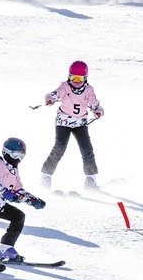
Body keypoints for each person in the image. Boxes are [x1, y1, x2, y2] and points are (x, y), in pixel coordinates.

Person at [39, 60, 104, 190]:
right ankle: (46, 176)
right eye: (74, 78)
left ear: (85, 78)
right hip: (63, 122)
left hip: (80, 123)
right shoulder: (65, 86)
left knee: (87, 149)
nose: (76, 82)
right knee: (59, 147)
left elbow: (93, 102)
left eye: (80, 79)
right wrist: (50, 98)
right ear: (69, 77)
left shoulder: (88, 90)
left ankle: (91, 179)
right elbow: (56, 93)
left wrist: (97, 110)